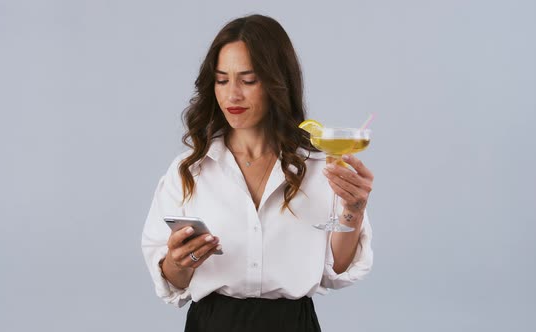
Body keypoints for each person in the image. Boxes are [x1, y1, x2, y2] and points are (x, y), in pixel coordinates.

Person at [142, 14, 374, 332]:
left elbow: (336, 270)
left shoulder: (321, 167)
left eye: (248, 80)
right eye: (222, 80)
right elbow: (171, 281)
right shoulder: (189, 170)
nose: (232, 94)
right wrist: (180, 261)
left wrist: (354, 211)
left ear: (278, 83)